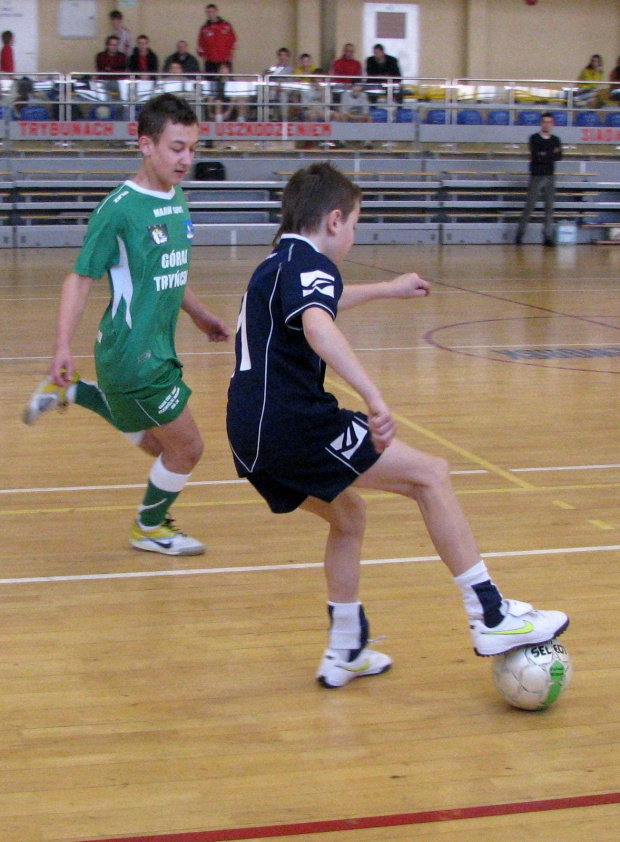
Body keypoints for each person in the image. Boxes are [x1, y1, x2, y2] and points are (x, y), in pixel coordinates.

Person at [226, 162, 569, 689]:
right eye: (357, 224)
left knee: (349, 517)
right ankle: (491, 615)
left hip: (250, 437)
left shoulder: (278, 263)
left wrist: (388, 288)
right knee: (430, 474)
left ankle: (345, 649)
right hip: (294, 424)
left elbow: (322, 302)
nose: (354, 235)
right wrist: (373, 394)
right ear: (335, 220)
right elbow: (318, 324)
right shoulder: (308, 261)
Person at [23, 94, 231, 556]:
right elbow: (79, 280)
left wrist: (198, 314)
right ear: (145, 145)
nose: (187, 159)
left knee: (163, 452)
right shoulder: (118, 209)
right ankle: (149, 528)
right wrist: (61, 344)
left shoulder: (175, 196)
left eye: (193, 148)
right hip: (133, 354)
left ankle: (73, 391)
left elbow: (169, 270)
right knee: (188, 448)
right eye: (177, 148)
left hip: (151, 351)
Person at [515, 112, 562, 247]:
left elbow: (558, 156)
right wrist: (549, 154)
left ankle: (547, 236)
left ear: (552, 124)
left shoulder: (555, 139)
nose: (546, 124)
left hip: (550, 175)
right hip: (536, 175)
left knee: (549, 207)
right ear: (541, 123)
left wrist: (545, 154)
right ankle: (520, 234)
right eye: (544, 121)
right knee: (530, 206)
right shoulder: (534, 138)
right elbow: (536, 156)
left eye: (549, 122)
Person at [197, 3, 237, 75]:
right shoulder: (204, 29)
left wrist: (230, 55)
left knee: (225, 83)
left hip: (225, 62)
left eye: (212, 11)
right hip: (210, 63)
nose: (210, 14)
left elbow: (233, 41)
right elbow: (200, 45)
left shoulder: (226, 26)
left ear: (216, 12)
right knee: (210, 84)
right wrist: (205, 57)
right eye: (208, 12)